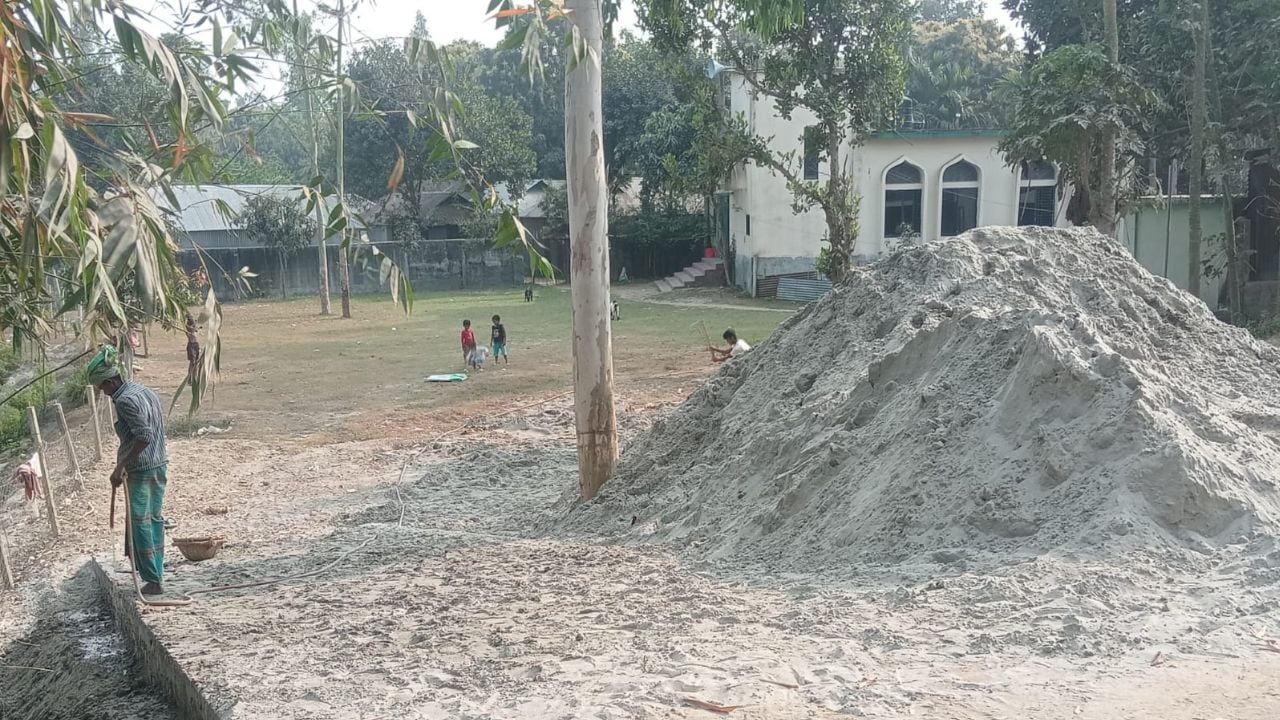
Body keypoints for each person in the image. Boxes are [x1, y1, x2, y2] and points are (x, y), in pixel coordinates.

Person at [88, 345, 169, 596]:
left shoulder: (123, 400)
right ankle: (153, 570)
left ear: (111, 381)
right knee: (154, 519)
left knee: (141, 522)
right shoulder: (143, 390)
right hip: (160, 463)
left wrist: (121, 465)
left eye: (102, 387)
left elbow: (143, 435)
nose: (103, 392)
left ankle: (152, 579)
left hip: (141, 468)